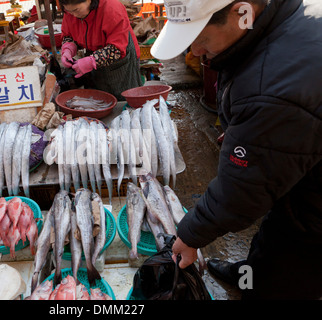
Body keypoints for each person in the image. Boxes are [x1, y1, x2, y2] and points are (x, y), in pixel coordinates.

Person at [151, 0, 322, 299]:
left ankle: (260, 285)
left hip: (314, 212)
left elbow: (243, 191)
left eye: (200, 39)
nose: (195, 53)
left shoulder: (275, 90)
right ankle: (250, 271)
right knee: (270, 238)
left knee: (284, 273)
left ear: (242, 12)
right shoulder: (281, 19)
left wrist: (191, 234)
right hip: (303, 167)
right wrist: (244, 132)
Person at [59, 0, 142, 100]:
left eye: (76, 10)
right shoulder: (70, 12)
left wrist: (92, 61)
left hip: (121, 61)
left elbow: (116, 49)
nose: (73, 15)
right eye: (69, 11)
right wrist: (68, 48)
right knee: (101, 99)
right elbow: (68, 35)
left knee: (126, 100)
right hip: (94, 55)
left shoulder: (111, 8)